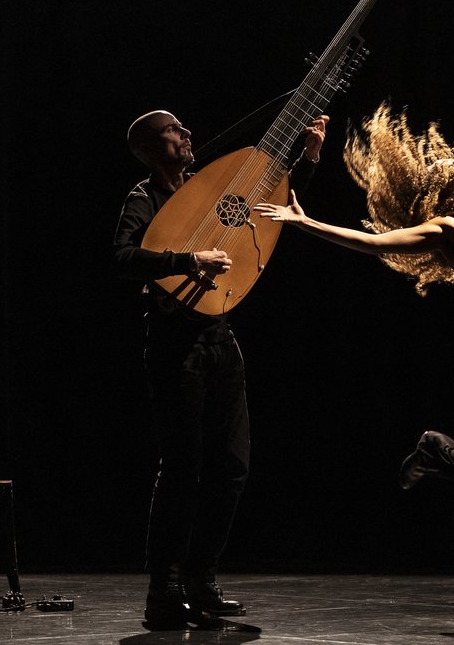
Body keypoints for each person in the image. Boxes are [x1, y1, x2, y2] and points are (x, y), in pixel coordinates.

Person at [254, 102, 454, 631]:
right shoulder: (451, 230)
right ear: (444, 192)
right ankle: (437, 451)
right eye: (445, 171)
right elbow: (372, 243)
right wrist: (306, 223)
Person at [113, 108, 328, 629]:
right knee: (183, 469)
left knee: (232, 466)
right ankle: (162, 593)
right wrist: (188, 262)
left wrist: (308, 159)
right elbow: (123, 256)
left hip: (220, 337)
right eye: (172, 131)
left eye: (186, 127)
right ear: (146, 148)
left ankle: (200, 581)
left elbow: (268, 211)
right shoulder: (145, 199)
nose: (187, 134)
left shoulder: (207, 191)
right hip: (173, 344)